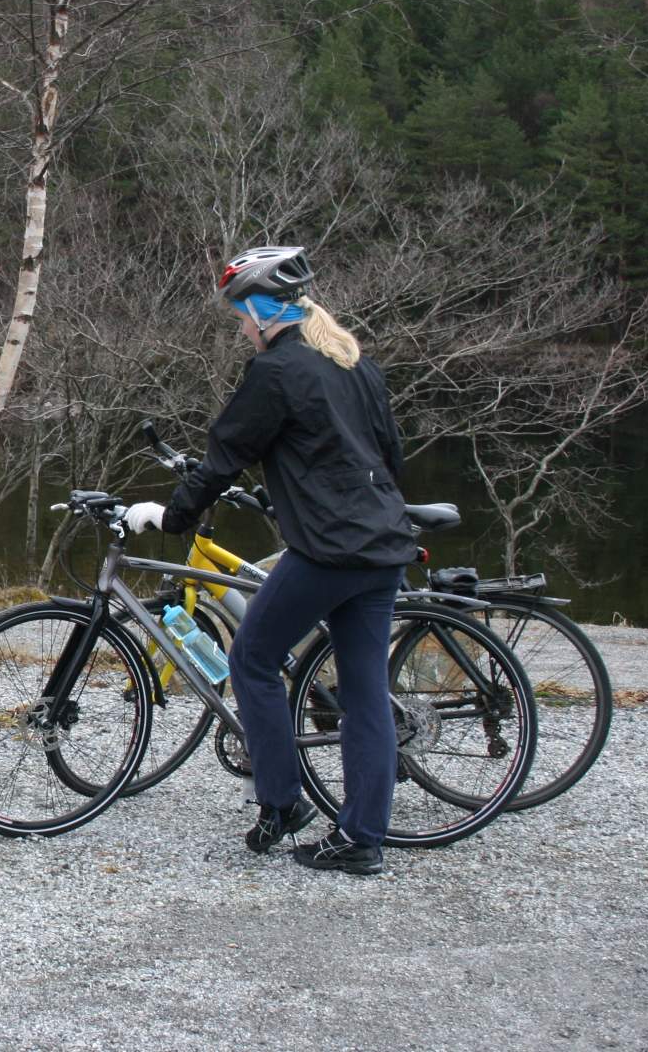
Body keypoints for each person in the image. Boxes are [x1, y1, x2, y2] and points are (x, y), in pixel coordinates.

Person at [123, 245, 416, 876]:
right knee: (366, 693)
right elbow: (387, 456)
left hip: (329, 552)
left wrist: (169, 519)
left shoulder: (277, 370)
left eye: (239, 317)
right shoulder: (353, 361)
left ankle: (282, 803)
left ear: (259, 307)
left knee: (251, 658)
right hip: (381, 547)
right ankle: (362, 838)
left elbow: (224, 453)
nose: (241, 329)